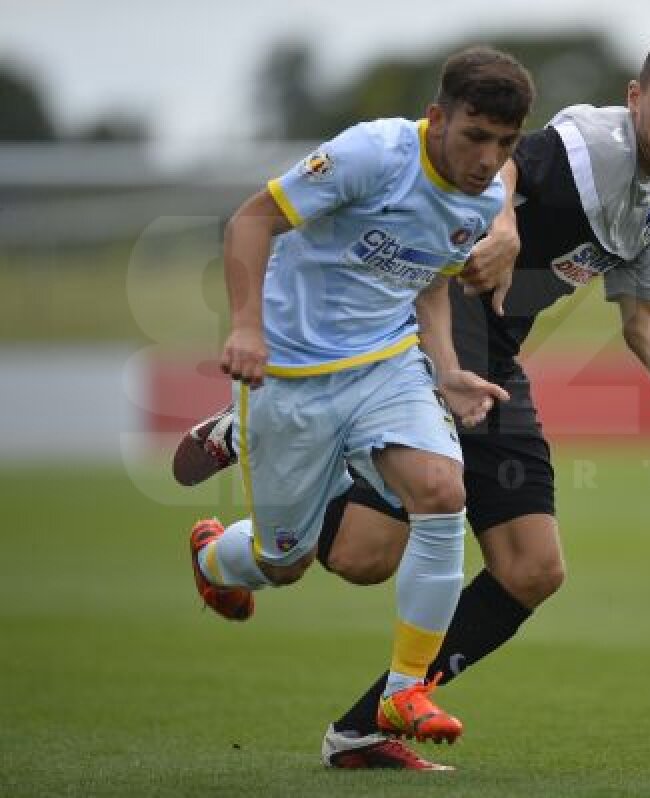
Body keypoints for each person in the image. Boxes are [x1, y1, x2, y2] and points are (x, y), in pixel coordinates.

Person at [176, 38, 650, 770]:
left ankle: (361, 726)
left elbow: (648, 326)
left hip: (491, 356)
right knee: (394, 534)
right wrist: (502, 220)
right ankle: (298, 445)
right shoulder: (591, 144)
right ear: (635, 98)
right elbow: (506, 155)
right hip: (438, 339)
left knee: (504, 567)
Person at [183, 46, 534, 767]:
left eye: (503, 143)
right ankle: (216, 557)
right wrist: (246, 325)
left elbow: (430, 284)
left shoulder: (484, 199)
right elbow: (251, 223)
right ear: (438, 117)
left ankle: (406, 688)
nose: (485, 157)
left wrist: (448, 371)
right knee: (283, 562)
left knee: (443, 490)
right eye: (474, 134)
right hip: (287, 375)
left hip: (384, 364)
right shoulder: (370, 153)